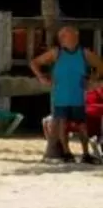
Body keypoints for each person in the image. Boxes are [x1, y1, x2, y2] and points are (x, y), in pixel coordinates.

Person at [31, 21, 93, 164]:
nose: (64, 38)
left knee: (82, 126)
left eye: (66, 35)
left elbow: (100, 65)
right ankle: (66, 153)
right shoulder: (56, 53)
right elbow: (34, 63)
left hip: (78, 96)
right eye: (62, 36)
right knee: (62, 125)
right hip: (61, 96)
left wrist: (93, 79)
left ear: (75, 36)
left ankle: (86, 153)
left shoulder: (84, 53)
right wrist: (41, 77)